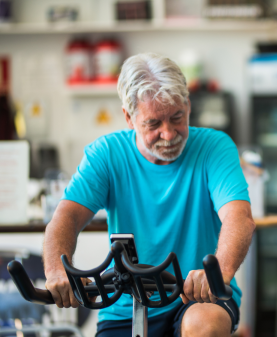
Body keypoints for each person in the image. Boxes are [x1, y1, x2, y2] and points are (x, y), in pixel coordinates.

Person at [42, 53, 255, 337]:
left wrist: (218, 272)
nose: (168, 134)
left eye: (177, 118)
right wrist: (57, 271)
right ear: (129, 118)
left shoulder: (214, 148)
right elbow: (66, 217)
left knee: (203, 326)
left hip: (197, 297)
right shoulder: (106, 154)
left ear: (188, 106)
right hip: (125, 303)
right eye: (153, 124)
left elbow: (239, 218)